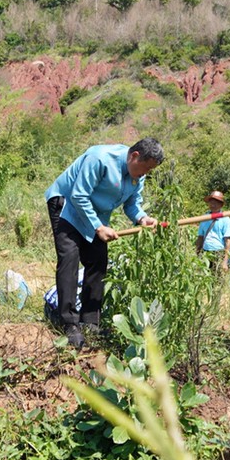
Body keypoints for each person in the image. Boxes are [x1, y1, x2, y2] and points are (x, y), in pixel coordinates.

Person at [45, 139, 163, 348]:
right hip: (67, 206)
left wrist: (142, 218)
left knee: (98, 262)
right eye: (145, 168)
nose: (146, 173)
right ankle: (69, 324)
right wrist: (98, 228)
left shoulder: (138, 176)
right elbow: (79, 195)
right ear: (134, 156)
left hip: (94, 216)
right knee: (69, 259)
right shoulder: (99, 158)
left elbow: (133, 204)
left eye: (150, 170)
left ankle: (91, 321)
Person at [197, 190, 230, 273]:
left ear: (221, 205)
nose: (213, 204)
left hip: (219, 253)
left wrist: (225, 261)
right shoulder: (204, 218)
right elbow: (200, 237)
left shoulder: (225, 219)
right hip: (206, 253)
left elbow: (228, 240)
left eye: (216, 202)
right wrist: (197, 254)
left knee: (217, 278)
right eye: (211, 202)